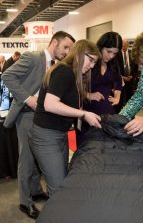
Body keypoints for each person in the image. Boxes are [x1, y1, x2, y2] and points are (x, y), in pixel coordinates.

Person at [2, 31, 75, 219]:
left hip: (41, 118)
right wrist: (28, 98)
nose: (67, 52)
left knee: (36, 158)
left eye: (70, 49)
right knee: (26, 160)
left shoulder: (58, 66)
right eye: (65, 47)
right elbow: (7, 76)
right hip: (26, 115)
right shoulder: (33, 57)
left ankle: (35, 190)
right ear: (54, 43)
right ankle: (25, 202)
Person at [29, 39, 101, 198]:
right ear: (80, 55)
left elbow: (66, 98)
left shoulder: (71, 74)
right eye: (91, 60)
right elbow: (50, 104)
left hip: (58, 134)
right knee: (58, 189)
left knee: (60, 184)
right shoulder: (64, 72)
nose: (92, 65)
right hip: (46, 136)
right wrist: (82, 114)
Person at [77, 32, 123, 146]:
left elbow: (118, 80)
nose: (111, 56)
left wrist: (117, 96)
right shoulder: (89, 62)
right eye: (108, 51)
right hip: (87, 110)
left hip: (107, 113)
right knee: (87, 146)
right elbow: (75, 85)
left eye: (115, 53)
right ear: (101, 47)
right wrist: (87, 95)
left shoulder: (114, 63)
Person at [116, 38, 139, 112]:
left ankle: (130, 113)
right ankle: (120, 113)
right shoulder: (116, 54)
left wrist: (132, 75)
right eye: (122, 46)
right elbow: (115, 68)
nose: (124, 48)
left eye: (125, 46)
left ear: (128, 45)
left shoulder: (131, 53)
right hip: (120, 80)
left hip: (130, 80)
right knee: (120, 98)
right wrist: (121, 77)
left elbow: (136, 66)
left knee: (130, 98)